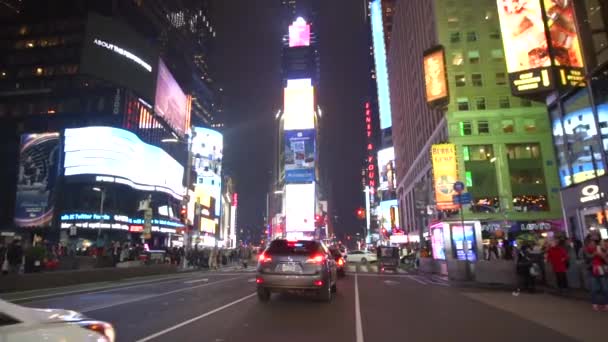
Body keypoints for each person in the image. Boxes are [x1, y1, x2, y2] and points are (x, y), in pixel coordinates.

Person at [583, 236, 608, 311]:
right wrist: (595, 254)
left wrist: (603, 255)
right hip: (592, 272)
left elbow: (606, 260)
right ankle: (595, 304)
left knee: (605, 289)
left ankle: (606, 304)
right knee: (594, 289)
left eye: (594, 243)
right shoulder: (586, 250)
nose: (592, 245)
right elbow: (588, 258)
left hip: (602, 271)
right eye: (591, 243)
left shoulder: (601, 249)